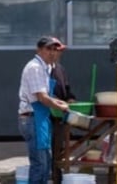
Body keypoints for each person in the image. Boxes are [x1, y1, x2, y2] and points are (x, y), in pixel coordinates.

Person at [18, 36, 70, 184]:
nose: (52, 53)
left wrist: (59, 101)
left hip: (41, 118)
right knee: (40, 164)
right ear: (39, 50)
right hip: (32, 118)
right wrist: (62, 107)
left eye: (55, 49)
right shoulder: (35, 68)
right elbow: (41, 97)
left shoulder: (45, 68)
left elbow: (47, 96)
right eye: (49, 49)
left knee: (46, 163)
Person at [49, 41, 75, 182]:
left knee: (59, 151)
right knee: (48, 151)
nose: (58, 54)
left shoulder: (60, 69)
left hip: (61, 117)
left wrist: (70, 99)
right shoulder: (42, 70)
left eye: (60, 51)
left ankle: (57, 177)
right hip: (47, 116)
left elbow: (67, 89)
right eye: (56, 50)